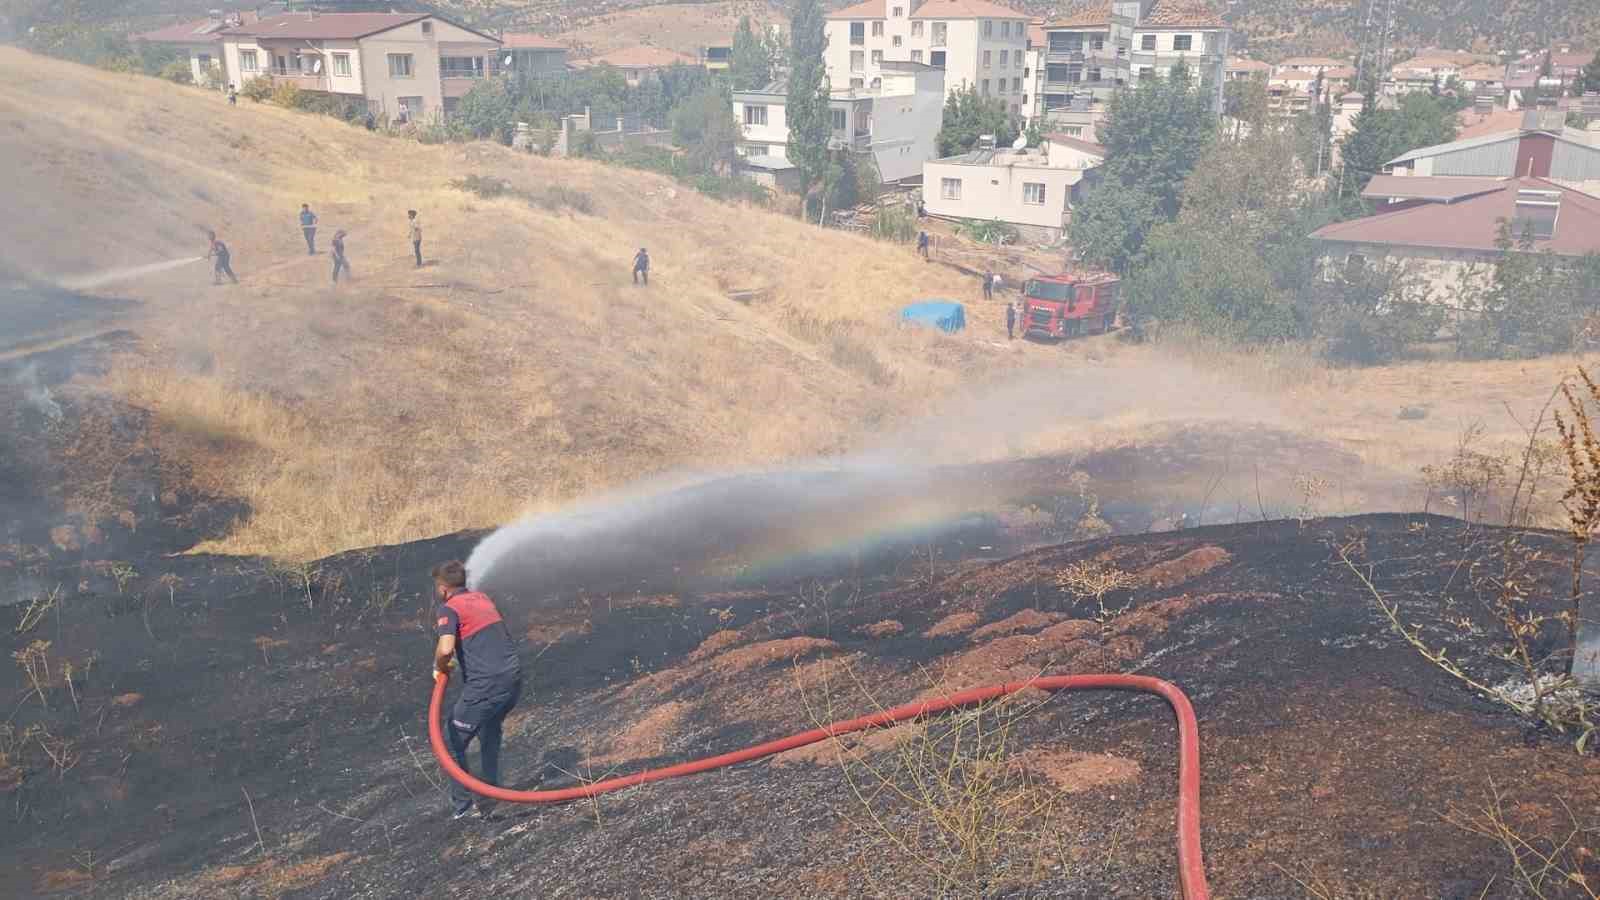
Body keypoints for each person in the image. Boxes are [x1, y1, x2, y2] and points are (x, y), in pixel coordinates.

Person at [431, 560, 522, 820]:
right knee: (488, 729)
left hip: (487, 685)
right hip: (512, 680)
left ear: (442, 588)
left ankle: (464, 808)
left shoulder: (449, 609)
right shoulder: (482, 598)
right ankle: (493, 791)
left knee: (450, 742)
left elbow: (446, 648)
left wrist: (440, 666)